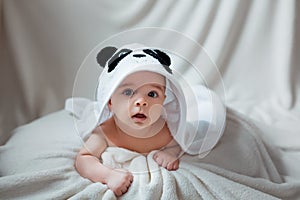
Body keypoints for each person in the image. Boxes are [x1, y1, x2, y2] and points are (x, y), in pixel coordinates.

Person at [75, 45, 184, 196]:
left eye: (152, 94)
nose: (141, 102)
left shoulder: (165, 130)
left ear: (163, 101)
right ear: (110, 101)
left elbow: (179, 143)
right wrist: (108, 175)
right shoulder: (106, 132)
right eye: (128, 92)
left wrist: (171, 153)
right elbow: (84, 158)